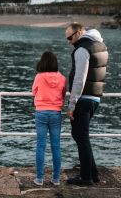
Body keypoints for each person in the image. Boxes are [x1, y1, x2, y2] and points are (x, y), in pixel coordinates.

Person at [65, 23, 108, 186]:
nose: (69, 41)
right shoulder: (101, 44)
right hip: (95, 97)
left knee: (81, 137)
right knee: (81, 136)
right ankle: (93, 173)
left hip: (83, 99)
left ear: (80, 32)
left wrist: (71, 104)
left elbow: (80, 79)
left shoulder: (83, 49)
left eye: (70, 37)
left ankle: (86, 177)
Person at [32, 51, 66, 186]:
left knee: (41, 145)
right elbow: (63, 94)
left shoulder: (39, 77)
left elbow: (34, 91)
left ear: (43, 62)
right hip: (56, 113)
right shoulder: (62, 78)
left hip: (41, 112)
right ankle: (56, 179)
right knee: (56, 147)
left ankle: (39, 179)